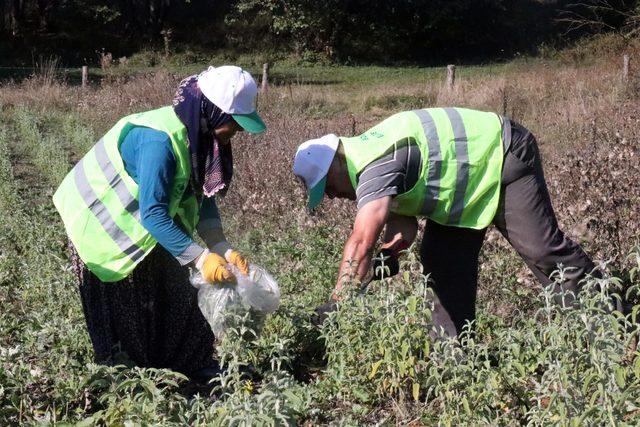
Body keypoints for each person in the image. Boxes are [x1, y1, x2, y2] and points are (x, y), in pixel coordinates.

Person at [293, 107, 602, 335]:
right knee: (439, 260)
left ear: (337, 160)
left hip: (502, 154)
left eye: (328, 186)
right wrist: (390, 254)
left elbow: (361, 240)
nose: (332, 195)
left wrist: (338, 302)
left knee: (542, 250)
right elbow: (403, 227)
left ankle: (616, 322)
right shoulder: (372, 161)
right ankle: (455, 363)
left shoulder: (374, 165)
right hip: (465, 185)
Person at [53, 65, 266, 380]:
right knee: (123, 308)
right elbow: (153, 214)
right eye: (235, 123)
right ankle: (127, 382)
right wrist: (201, 258)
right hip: (100, 225)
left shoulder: (201, 136)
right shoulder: (159, 142)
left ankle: (190, 364)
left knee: (178, 291)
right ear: (214, 112)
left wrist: (221, 246)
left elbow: (202, 195)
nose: (239, 131)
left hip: (147, 220)